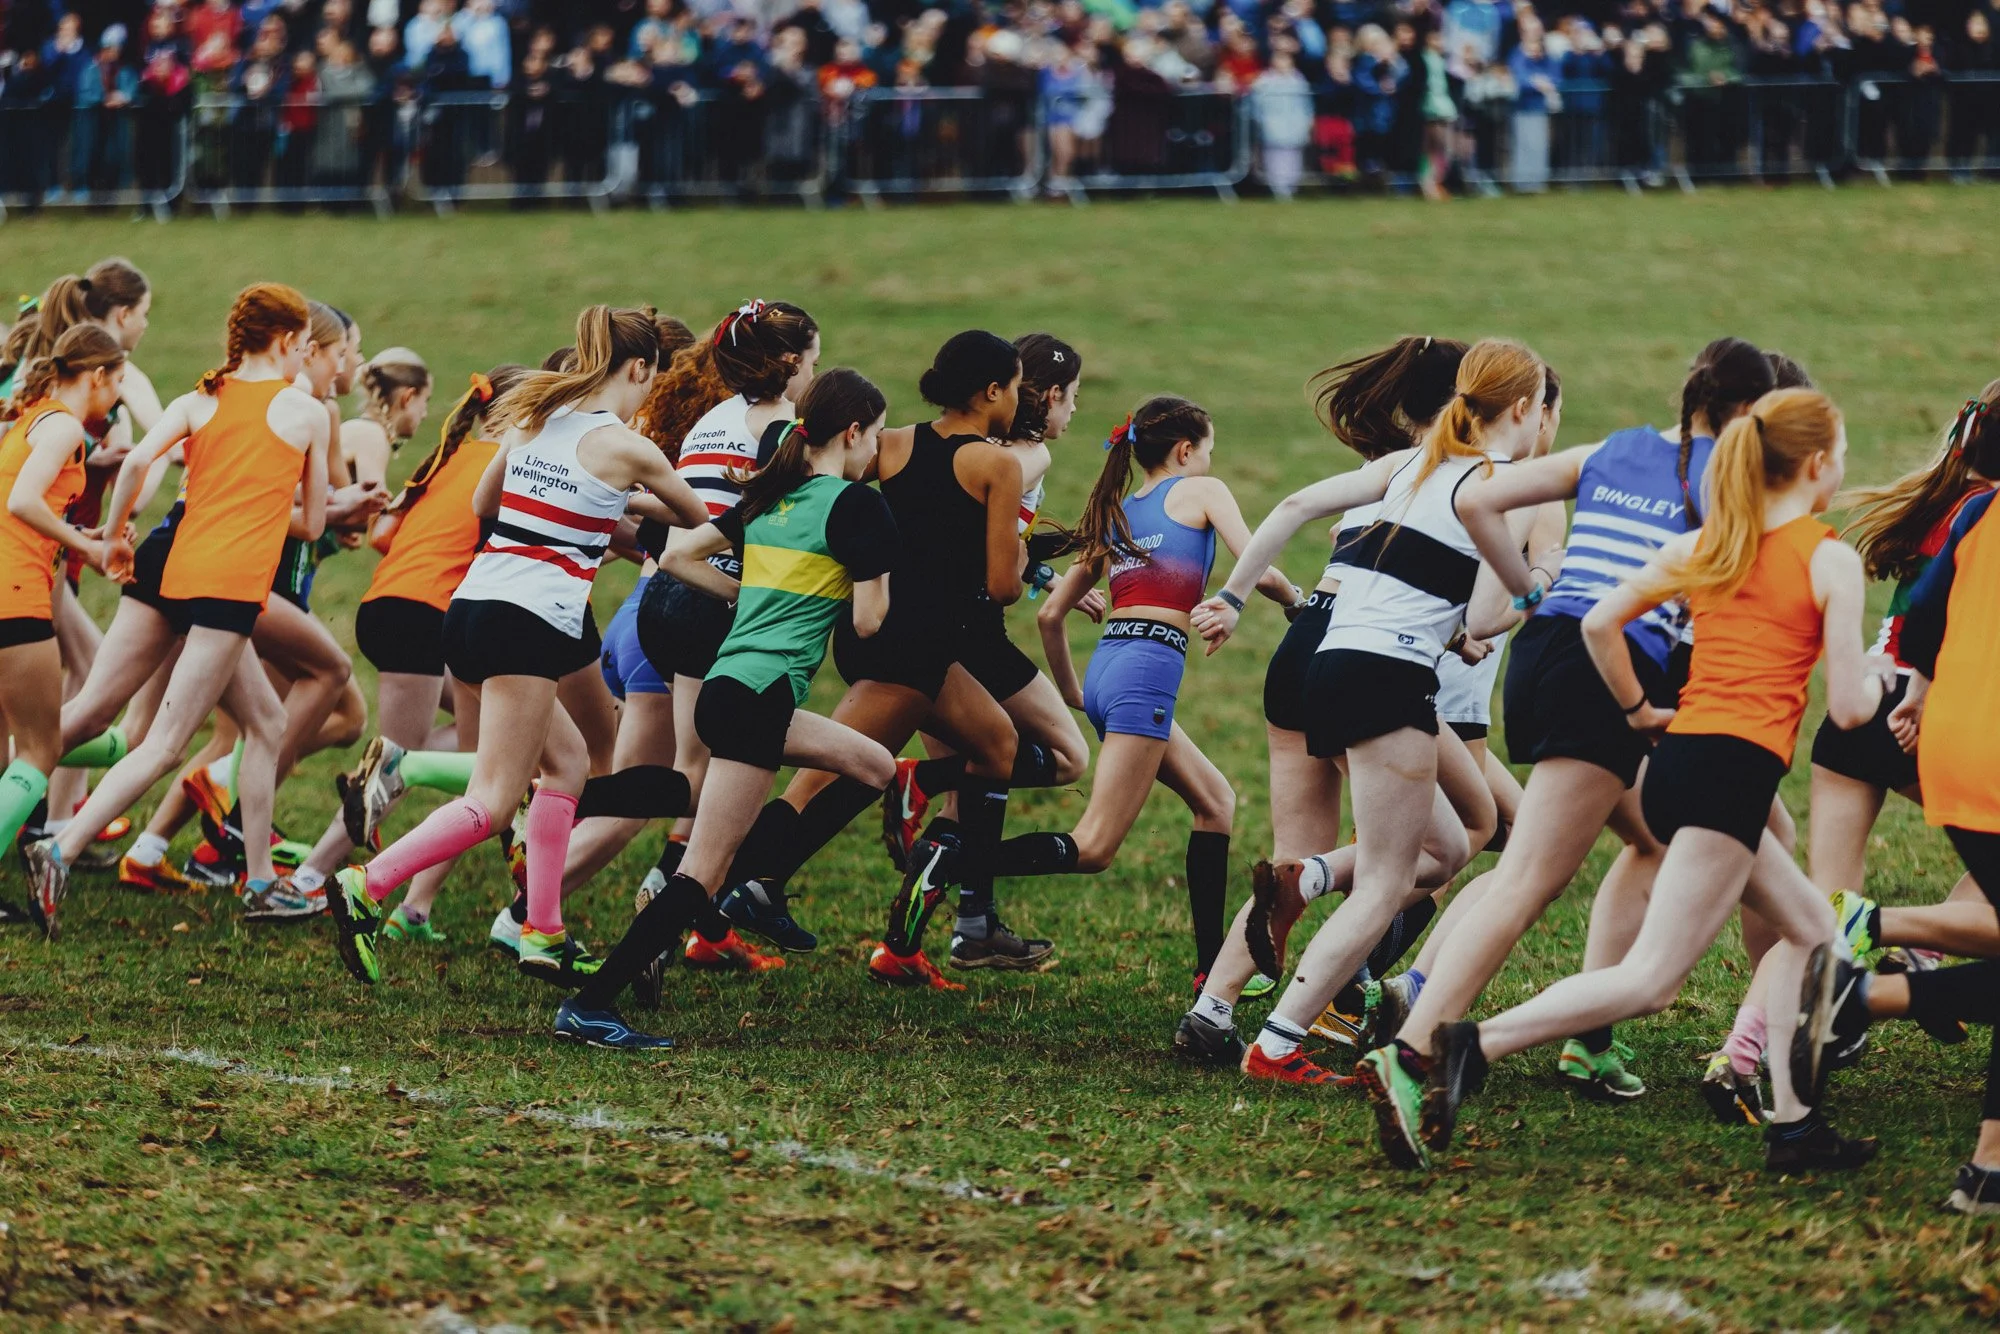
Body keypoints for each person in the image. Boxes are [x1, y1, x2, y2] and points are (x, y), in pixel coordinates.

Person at [1400, 388, 1888, 1174]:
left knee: (1817, 934)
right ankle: (1475, 1043)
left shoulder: (1710, 546)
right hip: (1732, 772)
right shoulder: (1827, 556)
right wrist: (1889, 677)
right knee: (1653, 979)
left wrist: (1634, 713)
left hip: (1676, 761)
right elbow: (1855, 709)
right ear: (1819, 465)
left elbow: (1598, 622)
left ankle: (1794, 1128)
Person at [1354, 337, 1776, 1115]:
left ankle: (1591, 1037)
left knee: (1652, 837)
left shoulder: (1619, 447)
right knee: (1527, 882)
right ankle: (1412, 1054)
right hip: (1611, 666)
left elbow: (1480, 501)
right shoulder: (1737, 477)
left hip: (1549, 653)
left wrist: (1526, 593)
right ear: (1750, 412)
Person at [1190, 339, 1548, 1085]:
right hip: (1387, 678)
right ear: (1522, 408)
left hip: (1325, 662)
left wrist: (1230, 595)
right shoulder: (1509, 485)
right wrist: (1539, 580)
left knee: (1449, 844)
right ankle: (1279, 1043)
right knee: (1388, 881)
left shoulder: (1412, 461)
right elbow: (1486, 616)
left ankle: (1309, 881)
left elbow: (1292, 506)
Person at [322, 305, 708, 988]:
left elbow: (482, 504)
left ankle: (544, 930)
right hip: (530, 622)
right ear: (641, 369)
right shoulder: (629, 448)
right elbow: (697, 521)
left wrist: (581, 503)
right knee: (494, 800)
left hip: (471, 608)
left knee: (565, 769)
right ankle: (366, 884)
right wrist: (625, 502)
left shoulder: (533, 416)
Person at [554, 369, 902, 1048]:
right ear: (853, 432)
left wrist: (741, 599)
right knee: (699, 872)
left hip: (727, 687)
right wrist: (879, 581)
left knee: (875, 766)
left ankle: (738, 875)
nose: (878, 450)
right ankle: (594, 1002)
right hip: (759, 698)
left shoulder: (772, 497)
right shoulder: (856, 506)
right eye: (879, 434)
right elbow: (867, 622)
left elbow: (679, 553)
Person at [710, 332, 1031, 988]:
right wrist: (1027, 557)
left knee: (996, 743)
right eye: (1017, 387)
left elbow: (831, 473)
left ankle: (959, 920)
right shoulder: (1000, 466)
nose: (1019, 399)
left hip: (885, 634)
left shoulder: (894, 441)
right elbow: (1002, 587)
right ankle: (718, 898)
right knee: (824, 781)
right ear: (992, 391)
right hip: (908, 641)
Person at [963, 394, 1300, 990]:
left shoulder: (1116, 513)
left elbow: (1050, 618)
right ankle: (959, 864)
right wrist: (1300, 604)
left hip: (1109, 671)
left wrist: (1079, 695)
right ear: (1186, 449)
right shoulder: (1203, 491)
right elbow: (1258, 563)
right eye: (1209, 451)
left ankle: (1209, 968)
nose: (1210, 462)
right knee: (1094, 848)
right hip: (1145, 671)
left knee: (1216, 802)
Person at [27, 283, 329, 938]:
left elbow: (137, 463)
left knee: (262, 721)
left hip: (164, 554)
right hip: (225, 583)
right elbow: (311, 523)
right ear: (283, 343)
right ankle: (59, 848)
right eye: (305, 347)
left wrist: (111, 539)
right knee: (164, 742)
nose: (306, 358)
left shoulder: (201, 397)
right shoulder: (305, 412)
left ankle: (256, 882)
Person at [1818, 425, 2000, 1213]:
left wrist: (1921, 696)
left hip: (1943, 742)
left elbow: (1919, 626)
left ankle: (1863, 989)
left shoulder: (1973, 512)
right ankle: (1989, 1168)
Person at [287, 367, 529, 936]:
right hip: (424, 616)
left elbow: (383, 534)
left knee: (478, 764)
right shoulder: (510, 466)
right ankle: (308, 877)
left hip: (392, 606)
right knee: (393, 768)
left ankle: (415, 909)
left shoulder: (449, 456)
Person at [0, 325, 130, 934]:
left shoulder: (37, 419)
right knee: (39, 749)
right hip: (15, 595)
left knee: (18, 747)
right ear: (97, 375)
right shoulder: (63, 427)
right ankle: (126, 751)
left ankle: (124, 749)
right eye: (120, 379)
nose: (121, 393)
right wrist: (87, 545)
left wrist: (96, 539)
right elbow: (23, 503)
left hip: (11, 585)